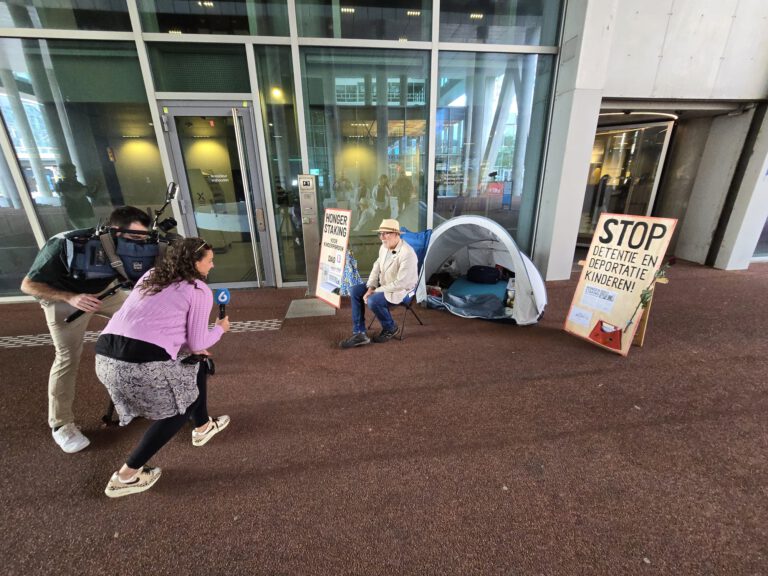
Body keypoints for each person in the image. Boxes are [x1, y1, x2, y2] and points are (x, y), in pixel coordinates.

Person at [95, 237, 230, 498]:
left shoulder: (153, 274)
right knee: (181, 408)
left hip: (104, 355)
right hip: (142, 362)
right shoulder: (199, 290)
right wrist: (220, 329)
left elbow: (166, 327)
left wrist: (194, 347)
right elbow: (199, 341)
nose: (212, 266)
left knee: (195, 363)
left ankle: (202, 427)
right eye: (210, 261)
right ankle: (126, 475)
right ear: (194, 263)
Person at [20, 206, 151, 454]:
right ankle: (61, 425)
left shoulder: (138, 244)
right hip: (64, 298)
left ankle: (147, 394)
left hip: (105, 291)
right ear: (114, 231)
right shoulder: (65, 243)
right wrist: (70, 297)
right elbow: (28, 285)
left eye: (142, 238)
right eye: (133, 238)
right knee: (67, 357)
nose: (138, 244)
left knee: (150, 321)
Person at [340, 218, 418, 348]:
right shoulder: (384, 246)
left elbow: (401, 283)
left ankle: (391, 327)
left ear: (396, 234)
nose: (381, 237)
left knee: (373, 300)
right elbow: (376, 267)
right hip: (384, 285)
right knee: (354, 290)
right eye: (380, 233)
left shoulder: (407, 254)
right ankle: (360, 333)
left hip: (401, 291)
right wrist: (371, 287)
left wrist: (374, 292)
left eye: (385, 233)